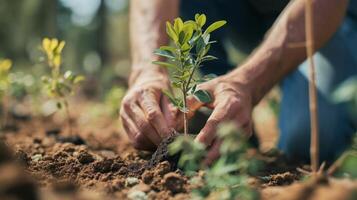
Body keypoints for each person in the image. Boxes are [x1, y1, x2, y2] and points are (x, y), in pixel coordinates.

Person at [120, 0, 357, 164]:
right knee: (205, 120)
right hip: (243, 13)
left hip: (328, 17)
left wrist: (247, 83)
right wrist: (146, 70)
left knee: (310, 138)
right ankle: (216, 109)